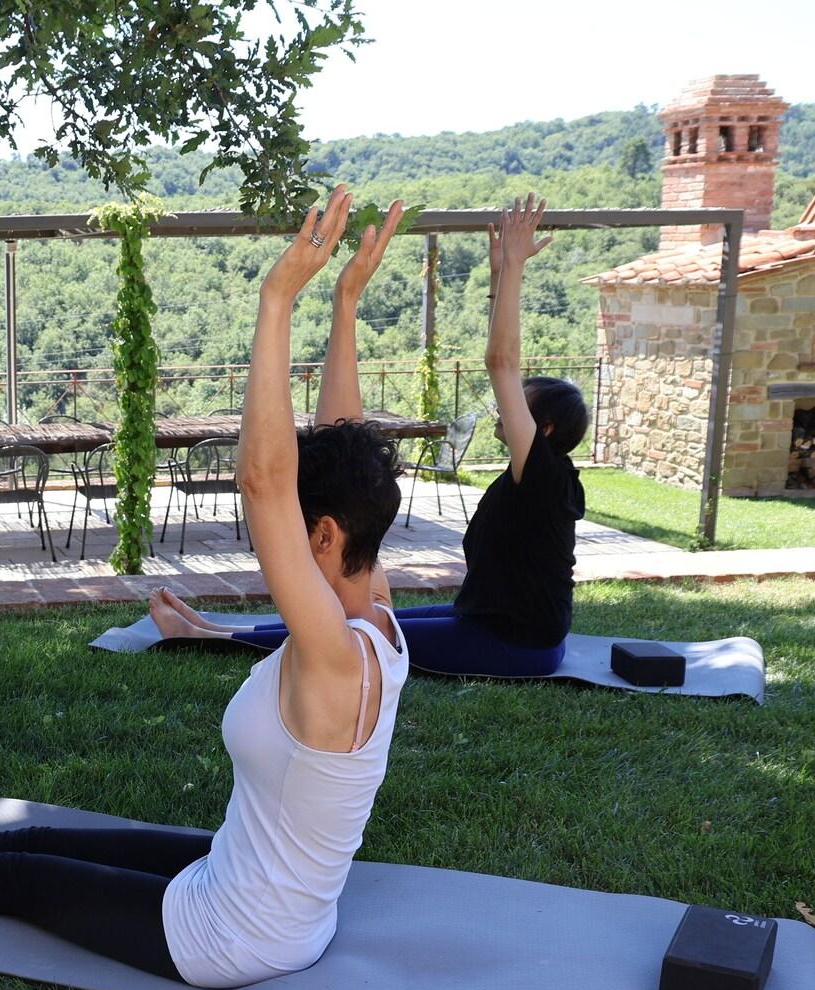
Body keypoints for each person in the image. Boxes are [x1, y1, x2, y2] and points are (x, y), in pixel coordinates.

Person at [0, 189, 410, 988]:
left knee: (18, 879)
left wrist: (276, 299)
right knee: (50, 838)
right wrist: (344, 303)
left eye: (299, 534)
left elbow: (267, 481)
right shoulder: (375, 614)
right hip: (263, 894)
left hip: (229, 937)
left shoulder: (330, 658)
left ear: (324, 535)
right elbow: (346, 455)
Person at [151, 195, 588, 678]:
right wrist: (500, 278)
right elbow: (504, 366)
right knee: (381, 621)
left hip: (515, 642)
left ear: (544, 429)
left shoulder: (545, 477)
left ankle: (207, 638)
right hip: (487, 619)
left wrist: (515, 272)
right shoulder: (542, 479)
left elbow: (501, 363)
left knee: (364, 632)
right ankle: (214, 628)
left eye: (521, 403)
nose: (507, 405)